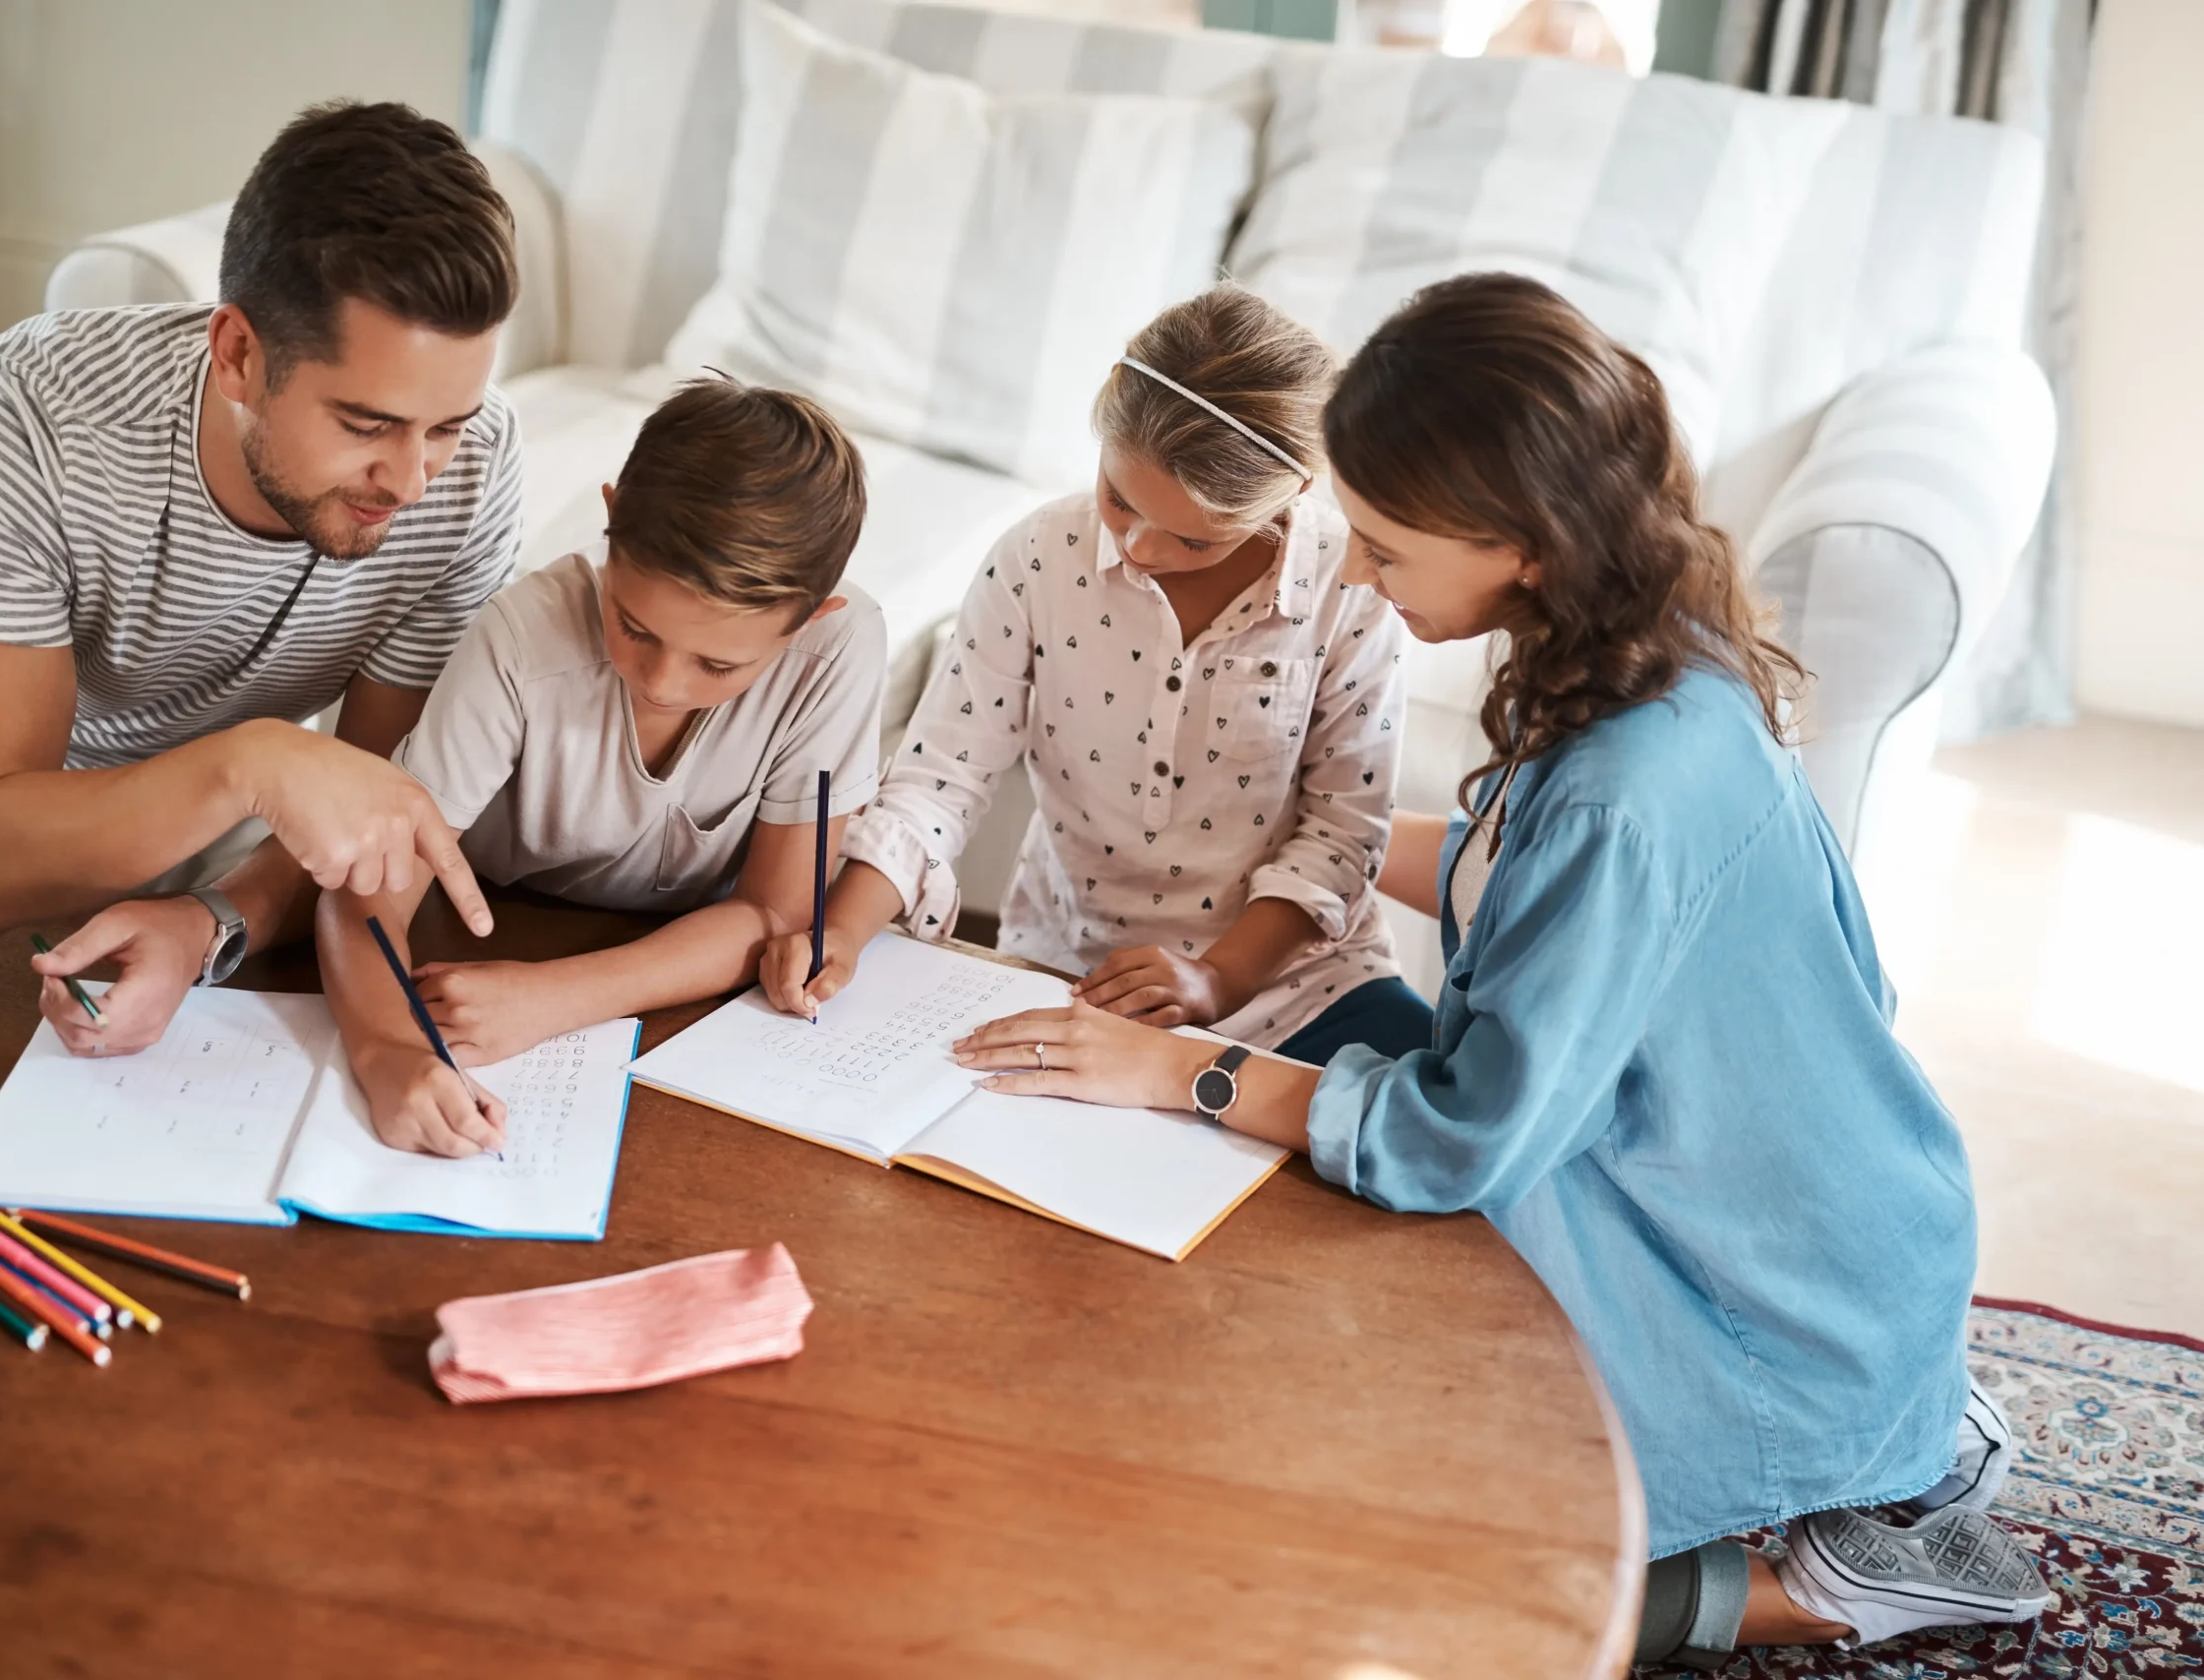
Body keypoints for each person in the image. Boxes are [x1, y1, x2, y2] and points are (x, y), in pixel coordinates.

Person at [948, 273, 2048, 1664]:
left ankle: (1859, 1574)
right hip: (1846, 1214)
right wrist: (1273, 858)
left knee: (1374, 1561)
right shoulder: (1663, 658)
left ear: (1522, 545)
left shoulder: (1621, 797)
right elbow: (1497, 867)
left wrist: (1182, 1070)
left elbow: (1453, 1138)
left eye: (1387, 550)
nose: (1353, 573)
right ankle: (1909, 1423)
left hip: (1756, 1297)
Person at [0, 100, 524, 1055]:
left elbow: (367, 807)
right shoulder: (28, 415)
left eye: (445, 425)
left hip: (230, 821)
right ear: (239, 352)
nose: (412, 482)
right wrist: (253, 761)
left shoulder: (477, 470)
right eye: (366, 425)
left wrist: (212, 920)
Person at [761, 286, 1417, 1060]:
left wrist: (1217, 982)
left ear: (1293, 493)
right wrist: (841, 926)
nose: (1139, 548)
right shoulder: (1038, 557)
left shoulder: (1354, 591)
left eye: (1193, 541)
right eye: (1118, 499)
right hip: (1071, 973)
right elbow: (943, 774)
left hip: (1303, 992)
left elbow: (1342, 832)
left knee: (1436, 1137)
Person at [317, 377, 885, 1157]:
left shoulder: (840, 649)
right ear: (611, 518)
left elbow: (781, 916)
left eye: (718, 665)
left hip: (672, 997)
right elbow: (365, 900)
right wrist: (390, 1053)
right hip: (492, 930)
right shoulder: (521, 637)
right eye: (634, 626)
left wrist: (558, 998)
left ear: (812, 619)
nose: (660, 684)